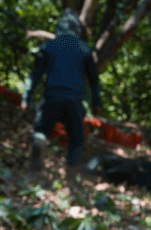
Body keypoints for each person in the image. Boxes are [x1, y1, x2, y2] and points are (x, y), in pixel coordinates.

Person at [20, 9, 102, 172]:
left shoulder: (48, 47)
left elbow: (35, 76)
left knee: (41, 130)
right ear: (77, 28)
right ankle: (71, 173)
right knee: (77, 138)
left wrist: (25, 99)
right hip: (74, 101)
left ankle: (38, 144)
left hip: (51, 98)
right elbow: (93, 80)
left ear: (59, 27)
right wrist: (96, 103)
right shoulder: (85, 49)